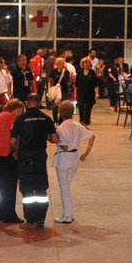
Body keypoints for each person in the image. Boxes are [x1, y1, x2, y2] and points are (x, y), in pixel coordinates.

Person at [13, 94, 60, 228]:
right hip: (40, 157)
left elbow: (12, 140)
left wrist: (14, 152)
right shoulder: (46, 118)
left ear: (27, 103)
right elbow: (55, 139)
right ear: (39, 103)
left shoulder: (20, 119)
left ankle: (30, 220)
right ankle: (40, 219)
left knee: (27, 190)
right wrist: (47, 138)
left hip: (25, 157)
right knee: (40, 189)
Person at [53, 101, 94, 225]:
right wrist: (86, 153)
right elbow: (92, 137)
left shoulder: (61, 127)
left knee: (64, 188)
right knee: (67, 187)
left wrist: (55, 139)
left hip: (64, 159)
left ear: (61, 113)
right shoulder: (77, 125)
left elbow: (64, 146)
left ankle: (67, 216)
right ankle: (68, 212)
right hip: (75, 158)